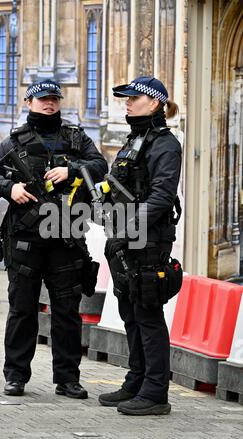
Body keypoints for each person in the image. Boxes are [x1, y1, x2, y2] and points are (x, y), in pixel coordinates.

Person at [0, 79, 107, 398]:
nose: (49, 104)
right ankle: (16, 376)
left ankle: (67, 379)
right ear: (28, 102)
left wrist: (73, 171)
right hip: (25, 240)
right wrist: (10, 189)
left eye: (53, 99)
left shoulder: (75, 138)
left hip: (66, 239)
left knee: (66, 312)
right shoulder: (14, 142)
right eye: (42, 100)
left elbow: (100, 166)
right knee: (23, 310)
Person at [98, 76, 182, 415]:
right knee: (130, 312)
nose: (127, 103)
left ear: (155, 102)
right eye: (126, 98)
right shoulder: (135, 140)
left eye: (134, 98)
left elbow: (161, 196)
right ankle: (136, 380)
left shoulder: (165, 144)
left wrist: (129, 226)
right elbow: (118, 184)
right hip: (124, 239)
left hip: (147, 240)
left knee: (147, 313)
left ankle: (155, 392)